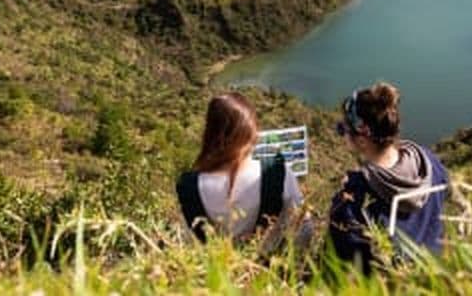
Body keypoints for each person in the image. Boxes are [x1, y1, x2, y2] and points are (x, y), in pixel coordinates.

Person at [329, 82, 449, 274]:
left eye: (343, 129)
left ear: (362, 140)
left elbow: (344, 265)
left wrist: (348, 194)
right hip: (437, 273)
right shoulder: (428, 162)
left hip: (392, 284)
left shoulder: (354, 201)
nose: (341, 134)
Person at [176, 92, 303, 242]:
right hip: (271, 256)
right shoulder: (278, 173)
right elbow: (302, 228)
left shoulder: (188, 186)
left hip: (211, 258)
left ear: (209, 133)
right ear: (251, 131)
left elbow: (188, 238)